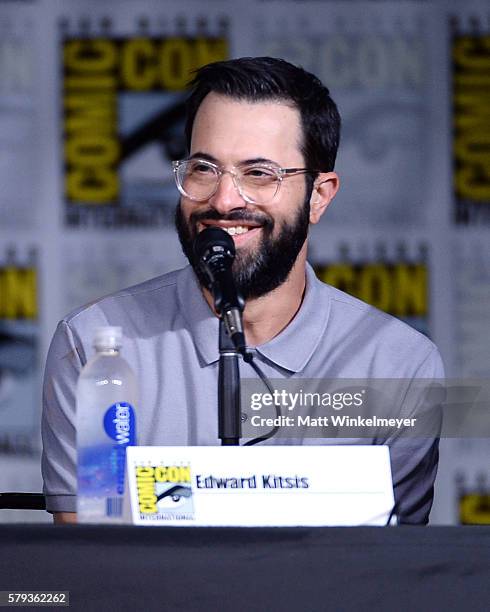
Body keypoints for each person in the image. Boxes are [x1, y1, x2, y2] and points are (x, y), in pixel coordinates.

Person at [42, 57, 443, 525]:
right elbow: (91, 563)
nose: (225, 199)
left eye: (259, 174)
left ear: (320, 195)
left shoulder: (398, 365)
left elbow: (395, 575)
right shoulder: (93, 346)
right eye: (204, 168)